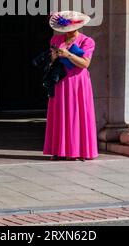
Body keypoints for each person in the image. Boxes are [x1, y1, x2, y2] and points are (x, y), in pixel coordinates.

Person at [43, 11, 99, 161]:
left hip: (78, 82)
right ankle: (58, 149)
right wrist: (54, 57)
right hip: (60, 80)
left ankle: (76, 150)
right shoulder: (56, 39)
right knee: (59, 113)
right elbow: (52, 61)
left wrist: (68, 54)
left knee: (76, 114)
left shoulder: (87, 41)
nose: (66, 32)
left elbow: (85, 63)